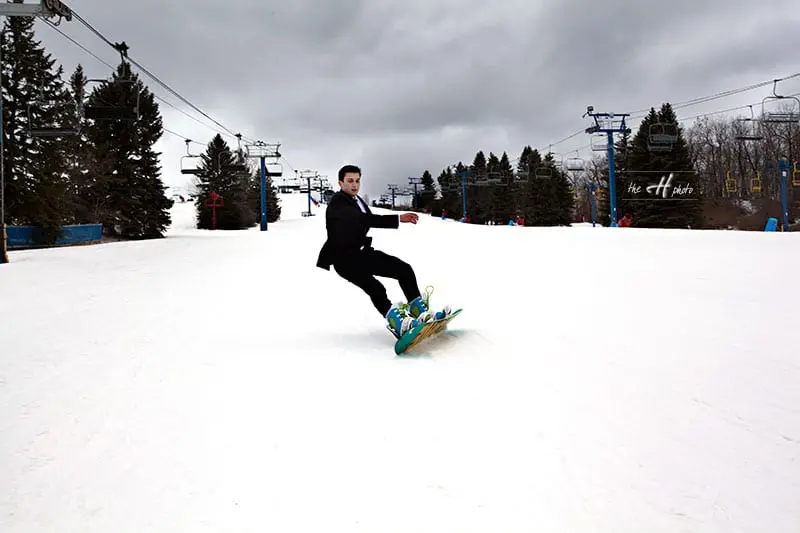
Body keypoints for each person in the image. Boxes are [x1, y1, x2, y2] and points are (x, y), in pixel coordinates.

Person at [316, 164, 443, 338]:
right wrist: (398, 219)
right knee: (376, 288)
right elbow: (363, 220)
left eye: (358, 181)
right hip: (344, 260)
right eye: (350, 181)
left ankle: (420, 313)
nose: (354, 185)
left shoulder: (356, 200)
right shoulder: (338, 203)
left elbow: (364, 219)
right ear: (340, 183)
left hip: (360, 253)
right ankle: (397, 324)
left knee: (403, 269)